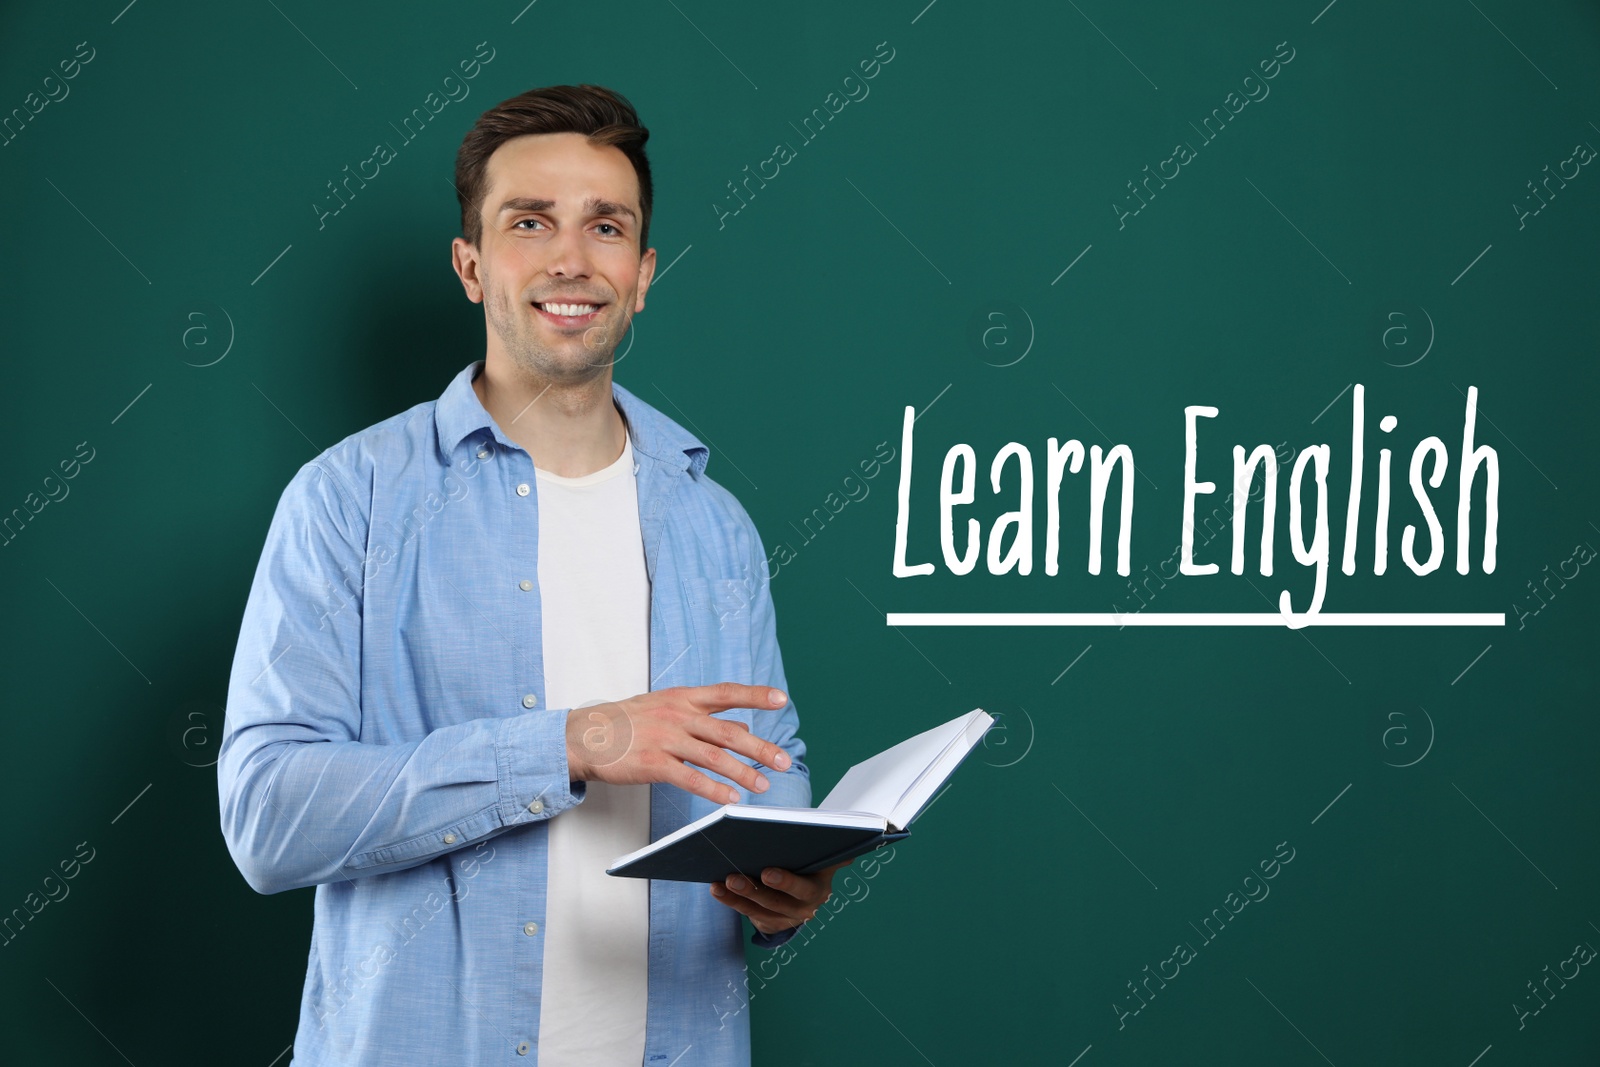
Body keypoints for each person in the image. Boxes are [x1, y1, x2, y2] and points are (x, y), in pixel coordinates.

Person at [218, 83, 846, 1067]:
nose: (570, 258)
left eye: (605, 226)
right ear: (471, 265)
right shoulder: (346, 500)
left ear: (641, 273)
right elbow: (268, 814)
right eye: (529, 222)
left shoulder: (717, 527)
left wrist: (788, 885)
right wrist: (576, 742)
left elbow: (769, 776)